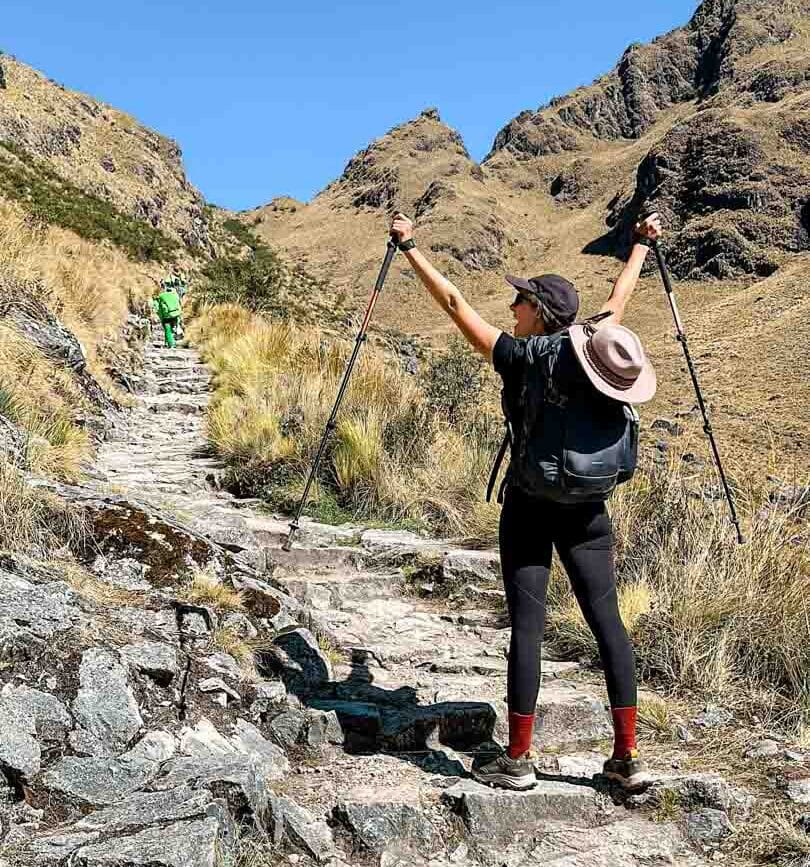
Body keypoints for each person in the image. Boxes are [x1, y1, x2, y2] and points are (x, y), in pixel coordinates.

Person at [390, 210, 663, 792]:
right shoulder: (596, 345)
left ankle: (517, 759)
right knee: (607, 621)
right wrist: (640, 243)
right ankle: (628, 757)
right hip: (589, 508)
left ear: (538, 312)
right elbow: (620, 295)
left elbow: (455, 306)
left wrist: (410, 248)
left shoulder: (519, 356)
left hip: (530, 506)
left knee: (528, 627)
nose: (511, 308)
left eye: (520, 302)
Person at [155, 281, 183, 348]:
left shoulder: (161, 296)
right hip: (175, 314)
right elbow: (179, 305)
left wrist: (160, 317)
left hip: (166, 315)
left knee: (167, 330)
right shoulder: (175, 295)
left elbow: (159, 308)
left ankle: (171, 344)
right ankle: (167, 342)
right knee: (172, 330)